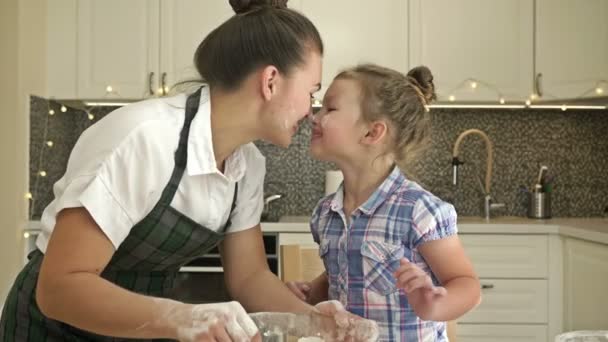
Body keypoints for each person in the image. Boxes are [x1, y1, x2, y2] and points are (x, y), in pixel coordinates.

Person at [0, 1, 378, 341]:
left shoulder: (247, 167)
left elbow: (249, 278)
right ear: (270, 81)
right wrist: (181, 317)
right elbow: (60, 289)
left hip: (134, 332)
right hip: (50, 329)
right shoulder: (144, 139)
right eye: (311, 92)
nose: (310, 111)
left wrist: (316, 321)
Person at [286, 64, 482, 341]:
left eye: (329, 109)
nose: (314, 117)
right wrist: (311, 292)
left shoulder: (419, 210)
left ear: (372, 133)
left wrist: (436, 303)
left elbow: (467, 286)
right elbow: (342, 275)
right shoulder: (326, 213)